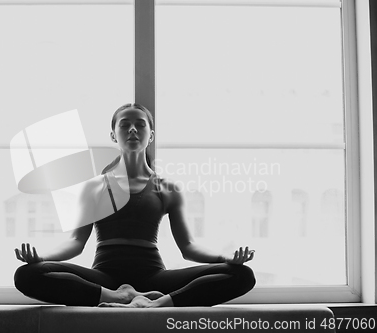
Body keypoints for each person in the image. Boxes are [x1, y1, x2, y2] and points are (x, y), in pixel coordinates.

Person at [14, 103, 256, 307]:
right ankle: (118, 296)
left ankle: (158, 303)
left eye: (140, 124)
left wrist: (225, 258)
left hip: (154, 277)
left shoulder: (167, 189)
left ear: (150, 135)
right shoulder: (94, 187)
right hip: (105, 276)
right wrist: (41, 257)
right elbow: (76, 243)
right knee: (28, 275)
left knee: (242, 275)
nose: (132, 129)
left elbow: (188, 247)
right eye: (124, 124)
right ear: (113, 135)